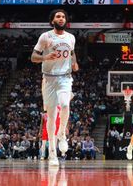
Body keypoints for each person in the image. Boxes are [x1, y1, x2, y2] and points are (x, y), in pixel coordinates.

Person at [31, 9, 79, 167]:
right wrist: (45, 57)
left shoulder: (71, 37)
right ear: (52, 21)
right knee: (51, 116)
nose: (61, 18)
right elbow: (33, 57)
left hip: (65, 77)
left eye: (63, 16)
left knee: (65, 105)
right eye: (58, 16)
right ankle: (52, 152)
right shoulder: (45, 36)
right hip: (49, 79)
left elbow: (72, 53)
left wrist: (74, 62)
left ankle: (62, 134)